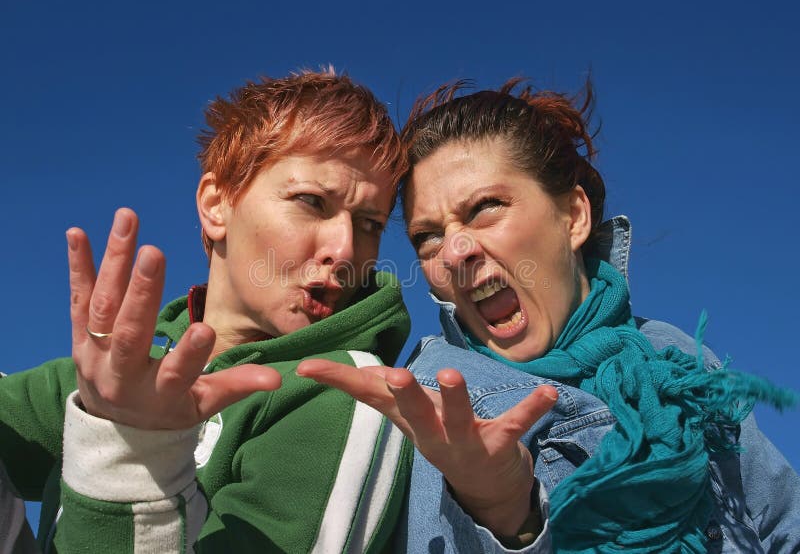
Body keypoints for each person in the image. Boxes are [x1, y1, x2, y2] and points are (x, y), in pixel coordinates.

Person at [298, 79, 800, 553]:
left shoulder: (675, 355)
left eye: (485, 207)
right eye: (427, 236)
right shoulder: (443, 399)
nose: (453, 251)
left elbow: (781, 526)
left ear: (574, 216)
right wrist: (499, 509)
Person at [0, 69, 412, 553]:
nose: (346, 249)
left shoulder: (348, 394)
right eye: (312, 202)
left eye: (370, 224)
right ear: (217, 205)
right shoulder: (132, 363)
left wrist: (129, 452)